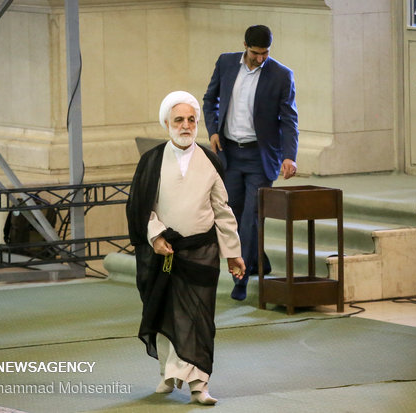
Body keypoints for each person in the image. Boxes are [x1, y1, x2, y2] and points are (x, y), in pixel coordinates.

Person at [126, 91, 246, 405]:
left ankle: (199, 385)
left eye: (191, 120)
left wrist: (233, 252)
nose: (186, 125)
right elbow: (142, 208)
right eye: (179, 120)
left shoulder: (209, 160)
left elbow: (222, 210)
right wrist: (156, 237)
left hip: (203, 252)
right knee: (166, 312)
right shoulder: (151, 161)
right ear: (167, 123)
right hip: (166, 253)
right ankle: (168, 374)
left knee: (200, 317)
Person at [203, 24, 299, 301]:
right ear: (244, 45)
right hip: (230, 155)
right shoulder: (225, 63)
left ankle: (240, 279)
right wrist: (212, 131)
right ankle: (259, 261)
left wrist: (289, 156)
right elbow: (210, 100)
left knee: (251, 218)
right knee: (232, 216)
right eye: (256, 53)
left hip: (260, 157)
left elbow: (289, 119)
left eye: (266, 53)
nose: (261, 58)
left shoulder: (281, 75)